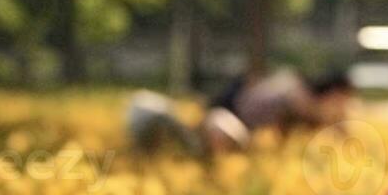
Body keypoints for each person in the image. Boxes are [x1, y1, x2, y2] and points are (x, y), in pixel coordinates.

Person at [125, 68, 353, 157]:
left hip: (228, 121)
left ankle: (154, 118)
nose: (342, 108)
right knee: (195, 150)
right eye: (342, 100)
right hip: (225, 120)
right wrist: (341, 128)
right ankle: (152, 114)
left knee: (194, 150)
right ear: (332, 92)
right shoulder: (297, 92)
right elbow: (317, 118)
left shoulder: (292, 83)